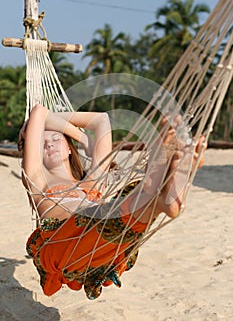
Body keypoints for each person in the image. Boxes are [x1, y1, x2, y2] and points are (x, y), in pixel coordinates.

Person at [18, 104, 206, 299]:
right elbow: (38, 112)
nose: (49, 144)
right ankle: (158, 180)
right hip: (62, 245)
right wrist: (68, 133)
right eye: (42, 143)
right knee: (111, 212)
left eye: (57, 139)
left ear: (70, 149)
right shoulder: (37, 180)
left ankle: (161, 199)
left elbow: (101, 120)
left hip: (101, 245)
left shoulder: (92, 182)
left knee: (125, 200)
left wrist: (84, 139)